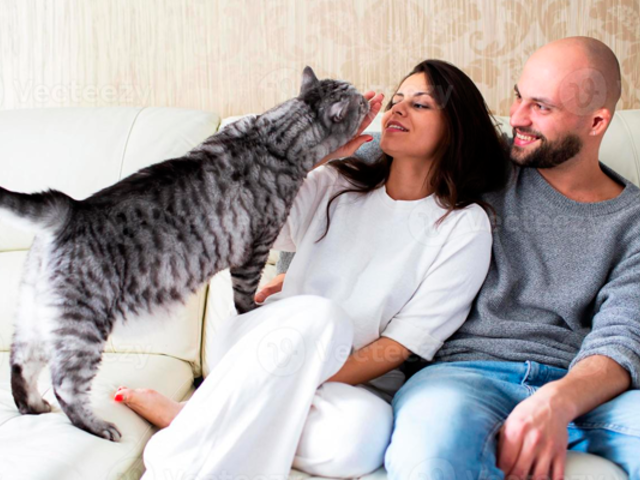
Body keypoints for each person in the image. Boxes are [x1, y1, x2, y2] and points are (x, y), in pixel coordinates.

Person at [114, 60, 510, 479]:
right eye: (397, 99)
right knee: (322, 317)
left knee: (360, 438)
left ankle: (200, 417)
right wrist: (313, 154)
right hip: (264, 349)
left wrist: (301, 382)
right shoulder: (337, 183)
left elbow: (401, 344)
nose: (397, 109)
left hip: (346, 381)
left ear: (456, 129)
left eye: (420, 104)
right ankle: (179, 462)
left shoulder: (465, 226)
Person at [272, 37, 640, 479]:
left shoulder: (633, 222)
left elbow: (623, 337)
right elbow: (358, 179)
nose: (517, 118)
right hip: (461, 377)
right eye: (519, 97)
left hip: (580, 388)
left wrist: (557, 401)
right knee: (430, 456)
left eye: (541, 107)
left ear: (597, 121)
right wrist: (293, 266)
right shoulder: (478, 154)